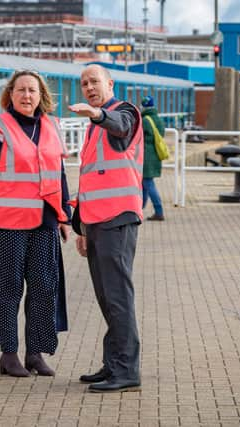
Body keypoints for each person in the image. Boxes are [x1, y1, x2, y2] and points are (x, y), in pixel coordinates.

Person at [0, 70, 71, 378]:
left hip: (45, 222)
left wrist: (65, 214)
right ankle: (9, 353)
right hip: (7, 224)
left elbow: (60, 173)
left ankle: (35, 353)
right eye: (21, 91)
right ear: (10, 95)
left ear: (41, 95)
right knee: (10, 287)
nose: (27, 96)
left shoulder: (53, 126)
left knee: (44, 287)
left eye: (32, 90)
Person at [68, 64, 143, 393]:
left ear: (109, 84)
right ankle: (113, 364)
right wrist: (82, 226)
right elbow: (90, 179)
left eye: (94, 81)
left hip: (118, 218)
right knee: (106, 298)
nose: (89, 87)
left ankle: (127, 370)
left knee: (118, 297)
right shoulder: (93, 126)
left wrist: (97, 115)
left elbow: (121, 126)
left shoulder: (122, 112)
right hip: (97, 223)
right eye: (84, 83)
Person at [140, 95, 165, 221]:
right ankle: (139, 209)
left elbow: (139, 138)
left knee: (148, 184)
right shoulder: (158, 119)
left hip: (146, 156)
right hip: (155, 155)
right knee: (144, 183)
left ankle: (159, 211)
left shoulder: (145, 120)